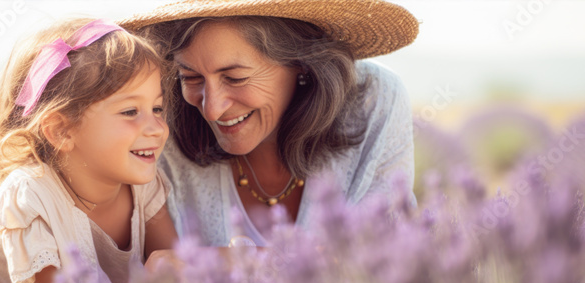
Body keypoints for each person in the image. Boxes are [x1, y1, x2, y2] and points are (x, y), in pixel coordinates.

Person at [118, 0, 420, 247]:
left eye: (235, 78)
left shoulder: (374, 101)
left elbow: (383, 261)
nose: (211, 109)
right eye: (191, 78)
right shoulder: (159, 122)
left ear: (301, 62)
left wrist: (229, 263)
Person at [0, 18, 178, 283]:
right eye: (130, 111)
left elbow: (181, 262)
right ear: (61, 131)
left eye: (157, 109)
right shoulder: (30, 199)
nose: (158, 129)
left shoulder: (144, 184)